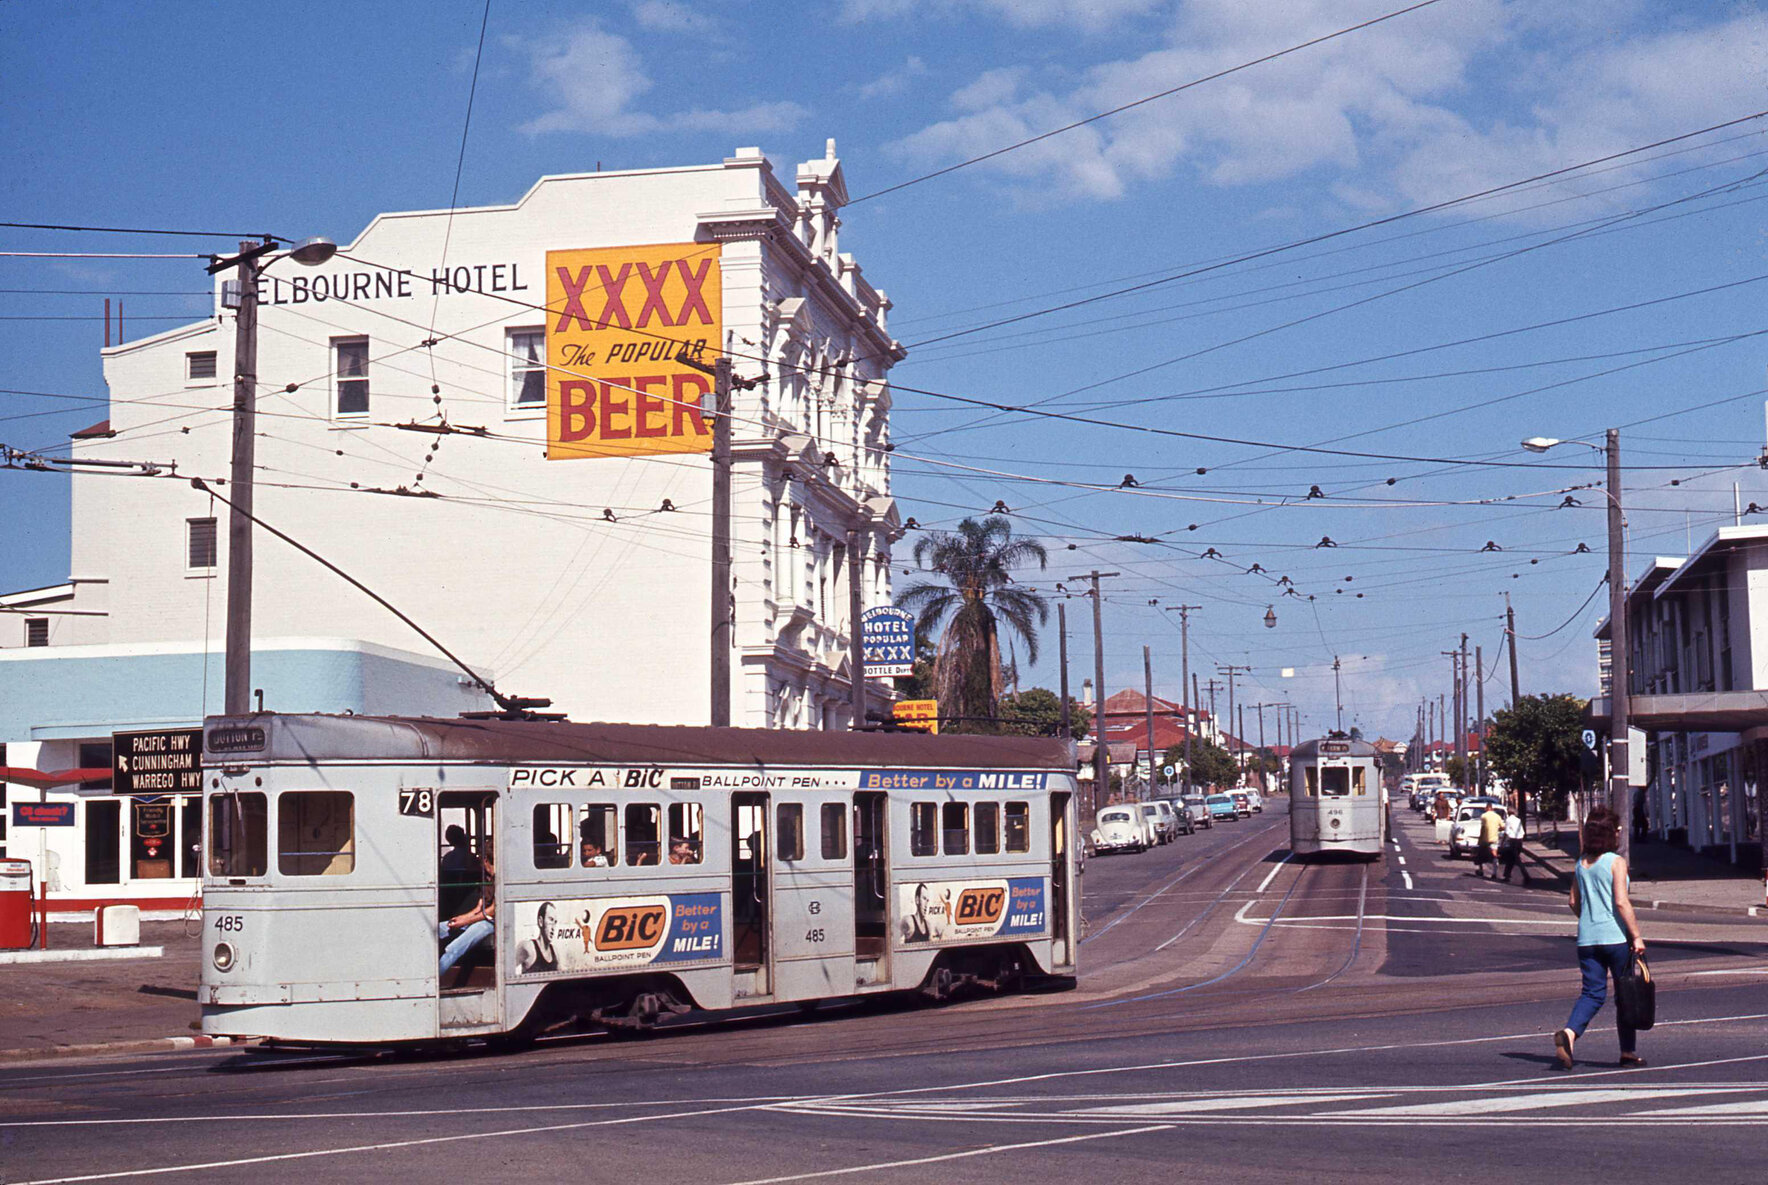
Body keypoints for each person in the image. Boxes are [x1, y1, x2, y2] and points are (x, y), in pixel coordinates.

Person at [1554, 806, 1647, 1070]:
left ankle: (1570, 1034)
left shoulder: (1581, 863)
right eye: (1617, 830)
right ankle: (1627, 1051)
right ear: (1612, 834)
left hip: (1586, 940)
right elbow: (1621, 902)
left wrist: (1589, 920)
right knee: (1625, 995)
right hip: (1615, 939)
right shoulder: (1616, 862)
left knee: (1592, 993)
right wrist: (1637, 936)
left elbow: (1573, 901)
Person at [439, 852, 496, 976]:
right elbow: (479, 907)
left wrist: (466, 921)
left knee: (455, 948)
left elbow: (493, 910)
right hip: (484, 917)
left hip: (493, 922)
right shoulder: (487, 877)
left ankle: (435, 976)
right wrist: (462, 918)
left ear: (485, 859)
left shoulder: (501, 877)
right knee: (440, 928)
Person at [514, 901, 558, 974]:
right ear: (540, 921)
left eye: (555, 922)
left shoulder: (555, 952)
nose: (553, 927)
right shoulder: (528, 947)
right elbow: (506, 967)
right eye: (550, 920)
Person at [1476, 802, 1504, 880]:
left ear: (1486, 808)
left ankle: (1481, 869)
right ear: (1492, 808)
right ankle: (1494, 873)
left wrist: (1480, 838)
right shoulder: (1497, 816)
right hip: (1494, 838)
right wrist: (1497, 829)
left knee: (1480, 854)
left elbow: (1483, 828)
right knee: (1494, 854)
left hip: (1485, 838)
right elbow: (1502, 827)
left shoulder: (1484, 816)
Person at [1499, 810, 1528, 884]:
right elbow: (1522, 832)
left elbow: (1506, 832)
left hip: (1513, 841)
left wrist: (1502, 843)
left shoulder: (1508, 820)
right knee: (1510, 858)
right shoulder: (1518, 820)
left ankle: (1526, 876)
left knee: (1516, 860)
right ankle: (1507, 875)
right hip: (1519, 841)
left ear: (1508, 813)